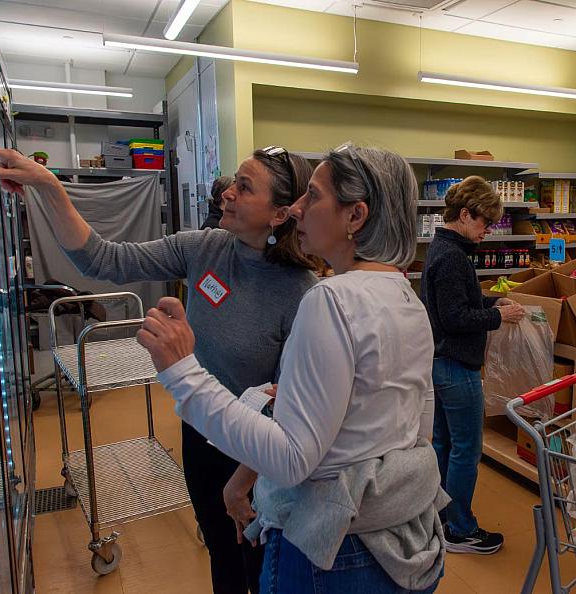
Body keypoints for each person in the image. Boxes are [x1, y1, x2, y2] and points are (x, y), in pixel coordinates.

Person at [0, 132, 318, 594]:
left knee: (256, 560)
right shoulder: (205, 248)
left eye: (245, 187)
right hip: (199, 435)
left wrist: (242, 482)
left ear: (279, 213)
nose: (228, 191)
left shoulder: (302, 293)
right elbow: (101, 258)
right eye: (235, 180)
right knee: (220, 551)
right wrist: (49, 187)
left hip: (254, 454)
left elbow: (286, 405)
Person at [135, 144, 448, 594]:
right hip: (397, 540)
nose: (297, 209)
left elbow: (292, 459)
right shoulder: (404, 299)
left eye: (314, 197)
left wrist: (183, 370)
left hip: (328, 551)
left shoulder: (330, 300)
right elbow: (412, 423)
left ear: (355, 216)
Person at [419, 175, 526, 555]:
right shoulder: (451, 257)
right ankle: (461, 530)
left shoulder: (445, 248)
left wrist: (490, 302)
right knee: (467, 448)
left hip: (441, 362)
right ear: (465, 214)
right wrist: (499, 317)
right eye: (484, 223)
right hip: (456, 366)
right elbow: (454, 318)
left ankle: (443, 518)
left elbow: (460, 301)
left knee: (445, 444)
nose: (487, 232)